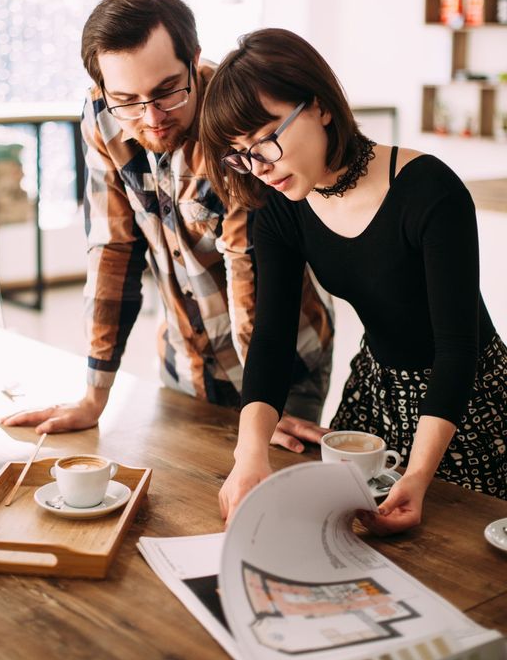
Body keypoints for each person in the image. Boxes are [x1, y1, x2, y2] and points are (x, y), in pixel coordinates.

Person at [199, 26, 507, 534]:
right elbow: (272, 339)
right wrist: (249, 454)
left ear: (318, 105)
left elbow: (458, 348)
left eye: (268, 140)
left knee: (460, 556)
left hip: (463, 401)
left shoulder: (429, 191)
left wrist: (418, 475)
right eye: (242, 154)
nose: (260, 168)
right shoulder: (281, 207)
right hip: (374, 389)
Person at [1, 0, 333, 450]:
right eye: (127, 100)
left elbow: (247, 270)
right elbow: (112, 248)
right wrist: (94, 395)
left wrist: (263, 406)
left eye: (166, 92)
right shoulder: (102, 116)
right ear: (102, 89)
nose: (151, 118)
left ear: (194, 61)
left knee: (268, 506)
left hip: (279, 362)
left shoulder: (236, 119)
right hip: (185, 358)